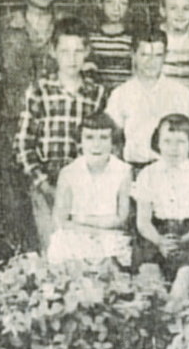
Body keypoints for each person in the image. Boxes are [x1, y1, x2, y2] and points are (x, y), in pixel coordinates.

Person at [14, 18, 108, 253]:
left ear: (87, 52)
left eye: (78, 51)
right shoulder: (39, 90)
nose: (72, 59)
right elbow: (24, 144)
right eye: (65, 51)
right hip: (47, 180)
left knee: (82, 250)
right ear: (53, 52)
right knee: (53, 249)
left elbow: (105, 142)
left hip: (85, 183)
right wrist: (44, 184)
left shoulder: (96, 94)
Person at [0, 0, 59, 257]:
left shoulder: (66, 27)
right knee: (12, 198)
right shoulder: (4, 28)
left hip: (53, 127)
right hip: (12, 125)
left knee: (50, 197)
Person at [133, 113, 189, 312]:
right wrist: (160, 241)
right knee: (150, 277)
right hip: (156, 232)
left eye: (180, 142)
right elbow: (143, 222)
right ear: (157, 143)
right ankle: (156, 320)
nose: (173, 148)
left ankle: (176, 309)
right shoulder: (147, 174)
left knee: (184, 279)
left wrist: (184, 239)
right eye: (167, 141)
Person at [45, 112, 132, 266]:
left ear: (113, 142)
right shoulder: (69, 172)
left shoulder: (123, 171)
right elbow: (59, 219)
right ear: (80, 142)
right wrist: (91, 230)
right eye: (89, 138)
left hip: (109, 234)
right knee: (63, 248)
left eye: (104, 138)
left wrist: (84, 220)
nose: (96, 145)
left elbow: (121, 217)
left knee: (112, 260)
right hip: (75, 234)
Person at [105, 29, 189, 170]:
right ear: (133, 55)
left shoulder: (182, 94)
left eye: (158, 55)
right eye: (144, 55)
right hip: (135, 169)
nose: (151, 62)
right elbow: (112, 142)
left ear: (166, 56)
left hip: (174, 170)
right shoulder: (120, 94)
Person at [86, 0, 135, 90]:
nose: (116, 8)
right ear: (100, 3)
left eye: (122, 3)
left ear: (129, 7)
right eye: (110, 2)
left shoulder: (131, 38)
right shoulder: (92, 37)